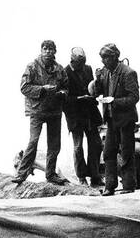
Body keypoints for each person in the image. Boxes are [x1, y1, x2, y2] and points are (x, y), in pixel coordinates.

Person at [13, 39, 68, 184]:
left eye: (51, 49)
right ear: (41, 50)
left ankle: (51, 174)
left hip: (54, 111)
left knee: (54, 144)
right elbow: (24, 88)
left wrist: (62, 93)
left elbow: (66, 87)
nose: (48, 52)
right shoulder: (32, 67)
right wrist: (42, 89)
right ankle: (21, 173)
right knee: (33, 142)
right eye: (45, 49)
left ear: (55, 51)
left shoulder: (60, 69)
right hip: (37, 110)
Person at [92, 43, 139, 195]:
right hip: (111, 120)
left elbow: (134, 98)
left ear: (114, 57)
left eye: (105, 57)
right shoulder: (105, 72)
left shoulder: (128, 73)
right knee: (108, 153)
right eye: (102, 58)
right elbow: (97, 92)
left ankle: (128, 186)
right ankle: (110, 185)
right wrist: (97, 80)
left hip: (125, 119)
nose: (103, 61)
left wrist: (114, 101)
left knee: (126, 152)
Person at [63, 47, 102, 186]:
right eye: (79, 62)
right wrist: (79, 98)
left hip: (90, 113)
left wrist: (96, 85)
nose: (81, 65)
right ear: (72, 60)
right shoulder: (65, 72)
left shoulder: (88, 69)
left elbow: (92, 88)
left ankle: (95, 176)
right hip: (75, 115)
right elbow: (64, 98)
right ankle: (81, 176)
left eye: (83, 62)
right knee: (78, 147)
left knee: (96, 144)